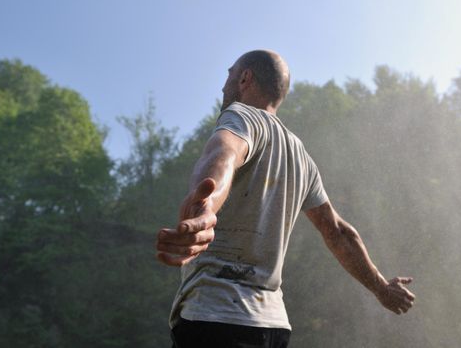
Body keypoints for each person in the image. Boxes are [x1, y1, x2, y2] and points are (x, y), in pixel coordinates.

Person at [156, 50, 415, 348]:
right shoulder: (302, 157)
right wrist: (382, 288)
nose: (222, 85)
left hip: (215, 318)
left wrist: (205, 207)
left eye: (228, 75)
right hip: (272, 328)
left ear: (244, 78)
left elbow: (225, 154)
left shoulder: (240, 116)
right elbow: (339, 232)